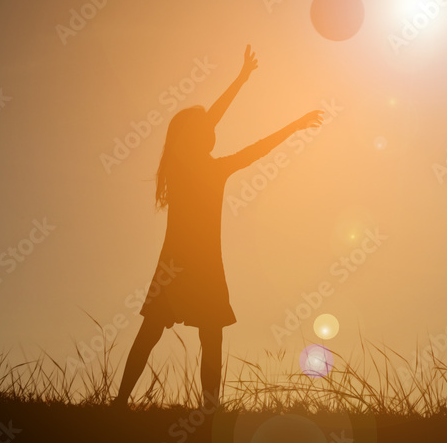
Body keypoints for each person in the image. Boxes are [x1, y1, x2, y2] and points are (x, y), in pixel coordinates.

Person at [113, 45, 324, 410]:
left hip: (184, 263)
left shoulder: (190, 168)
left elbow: (246, 141)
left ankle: (127, 404)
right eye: (204, 127)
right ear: (194, 136)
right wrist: (287, 119)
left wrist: (244, 80)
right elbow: (251, 144)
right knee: (204, 337)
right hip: (195, 264)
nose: (211, 129)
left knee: (168, 333)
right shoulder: (196, 168)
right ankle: (202, 411)